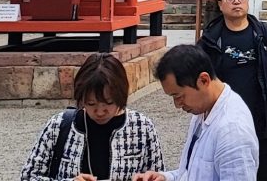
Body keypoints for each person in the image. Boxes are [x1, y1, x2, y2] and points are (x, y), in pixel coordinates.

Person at [197, 0, 267, 181]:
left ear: (247, 0)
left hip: (261, 117)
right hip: (224, 121)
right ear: (220, 4)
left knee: (266, 172)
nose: (237, 2)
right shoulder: (211, 40)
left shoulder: (263, 34)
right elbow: (197, 75)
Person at [20, 53, 164, 181]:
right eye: (91, 103)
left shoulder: (142, 127)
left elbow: (158, 175)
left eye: (108, 103)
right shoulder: (59, 125)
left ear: (121, 95)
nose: (100, 111)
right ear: (81, 98)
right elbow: (28, 176)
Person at [145, 45, 259, 181]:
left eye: (178, 96)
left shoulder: (232, 130)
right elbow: (194, 172)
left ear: (204, 80)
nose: (177, 104)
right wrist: (166, 178)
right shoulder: (203, 109)